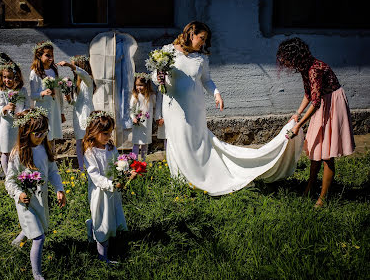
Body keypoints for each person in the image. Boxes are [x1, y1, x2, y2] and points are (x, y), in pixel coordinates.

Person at [153, 21, 303, 195]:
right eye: (201, 38)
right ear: (191, 33)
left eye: (205, 39)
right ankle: (181, 179)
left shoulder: (201, 58)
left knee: (196, 142)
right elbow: (155, 77)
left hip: (195, 108)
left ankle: (200, 176)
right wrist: (159, 78)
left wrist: (216, 93)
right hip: (174, 108)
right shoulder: (167, 51)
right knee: (178, 140)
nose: (203, 42)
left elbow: (206, 80)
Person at [277, 37, 355, 207]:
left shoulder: (314, 69)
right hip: (321, 102)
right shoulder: (304, 67)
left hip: (333, 103)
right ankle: (310, 187)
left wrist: (299, 125)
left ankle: (322, 198)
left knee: (327, 153)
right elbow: (308, 93)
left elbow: (316, 101)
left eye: (286, 57)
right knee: (315, 148)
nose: (283, 61)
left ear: (295, 56)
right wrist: (297, 114)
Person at [5, 107, 66, 280]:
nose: (41, 137)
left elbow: (53, 171)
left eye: (44, 133)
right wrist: (18, 194)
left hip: (41, 198)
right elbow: (9, 181)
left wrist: (59, 189)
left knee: (37, 224)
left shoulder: (44, 149)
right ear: (25, 131)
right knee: (38, 237)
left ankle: (16, 242)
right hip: (25, 201)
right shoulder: (18, 154)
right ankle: (37, 274)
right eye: (37, 133)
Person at [83, 111, 130, 263]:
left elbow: (117, 163)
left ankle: (92, 229)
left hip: (113, 190)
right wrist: (110, 184)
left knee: (111, 216)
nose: (108, 137)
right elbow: (94, 174)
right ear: (94, 131)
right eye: (105, 133)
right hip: (99, 191)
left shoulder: (110, 147)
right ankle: (103, 257)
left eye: (110, 133)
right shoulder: (90, 152)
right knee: (102, 219)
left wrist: (125, 172)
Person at [57, 55, 95, 171]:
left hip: (87, 113)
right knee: (78, 141)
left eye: (74, 66)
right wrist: (68, 98)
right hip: (77, 114)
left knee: (88, 141)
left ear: (80, 66)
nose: (71, 70)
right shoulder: (76, 83)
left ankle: (91, 165)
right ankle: (81, 167)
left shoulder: (88, 79)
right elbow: (75, 102)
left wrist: (69, 65)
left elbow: (82, 73)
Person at [29, 41, 65, 151]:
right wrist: (42, 93)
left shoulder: (54, 71)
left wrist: (62, 111)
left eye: (52, 55)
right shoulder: (35, 73)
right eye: (47, 55)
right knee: (43, 135)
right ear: (39, 56)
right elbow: (33, 95)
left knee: (52, 135)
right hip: (43, 109)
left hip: (54, 108)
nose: (50, 58)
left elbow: (59, 94)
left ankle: (52, 159)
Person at [0, 62, 30, 176]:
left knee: (18, 150)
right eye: (4, 77)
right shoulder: (2, 92)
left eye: (9, 77)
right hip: (7, 125)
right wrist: (5, 108)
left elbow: (27, 105)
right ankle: (7, 175)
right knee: (6, 151)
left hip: (19, 124)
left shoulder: (22, 90)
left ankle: (19, 173)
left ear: (16, 77)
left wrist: (24, 112)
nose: (7, 80)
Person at [130, 73, 156, 160]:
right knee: (136, 142)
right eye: (137, 85)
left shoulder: (151, 96)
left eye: (141, 85)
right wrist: (133, 118)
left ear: (146, 85)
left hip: (147, 124)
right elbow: (131, 110)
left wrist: (156, 118)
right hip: (137, 124)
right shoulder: (135, 96)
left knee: (145, 143)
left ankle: (144, 160)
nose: (139, 87)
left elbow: (155, 108)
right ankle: (134, 160)